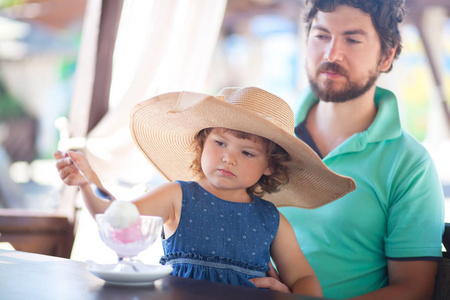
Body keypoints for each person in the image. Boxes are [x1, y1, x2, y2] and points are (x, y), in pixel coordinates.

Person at [53, 87, 355, 296]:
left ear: (270, 167)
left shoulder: (271, 220)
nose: (228, 157)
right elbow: (115, 217)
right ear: (202, 143)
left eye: (247, 153)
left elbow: (303, 277)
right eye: (219, 143)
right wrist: (88, 182)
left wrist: (291, 294)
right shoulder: (177, 196)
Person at [251, 1, 445, 299]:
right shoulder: (265, 136)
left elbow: (413, 289)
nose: (331, 54)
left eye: (352, 39)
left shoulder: (410, 165)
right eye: (321, 36)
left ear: (387, 56)